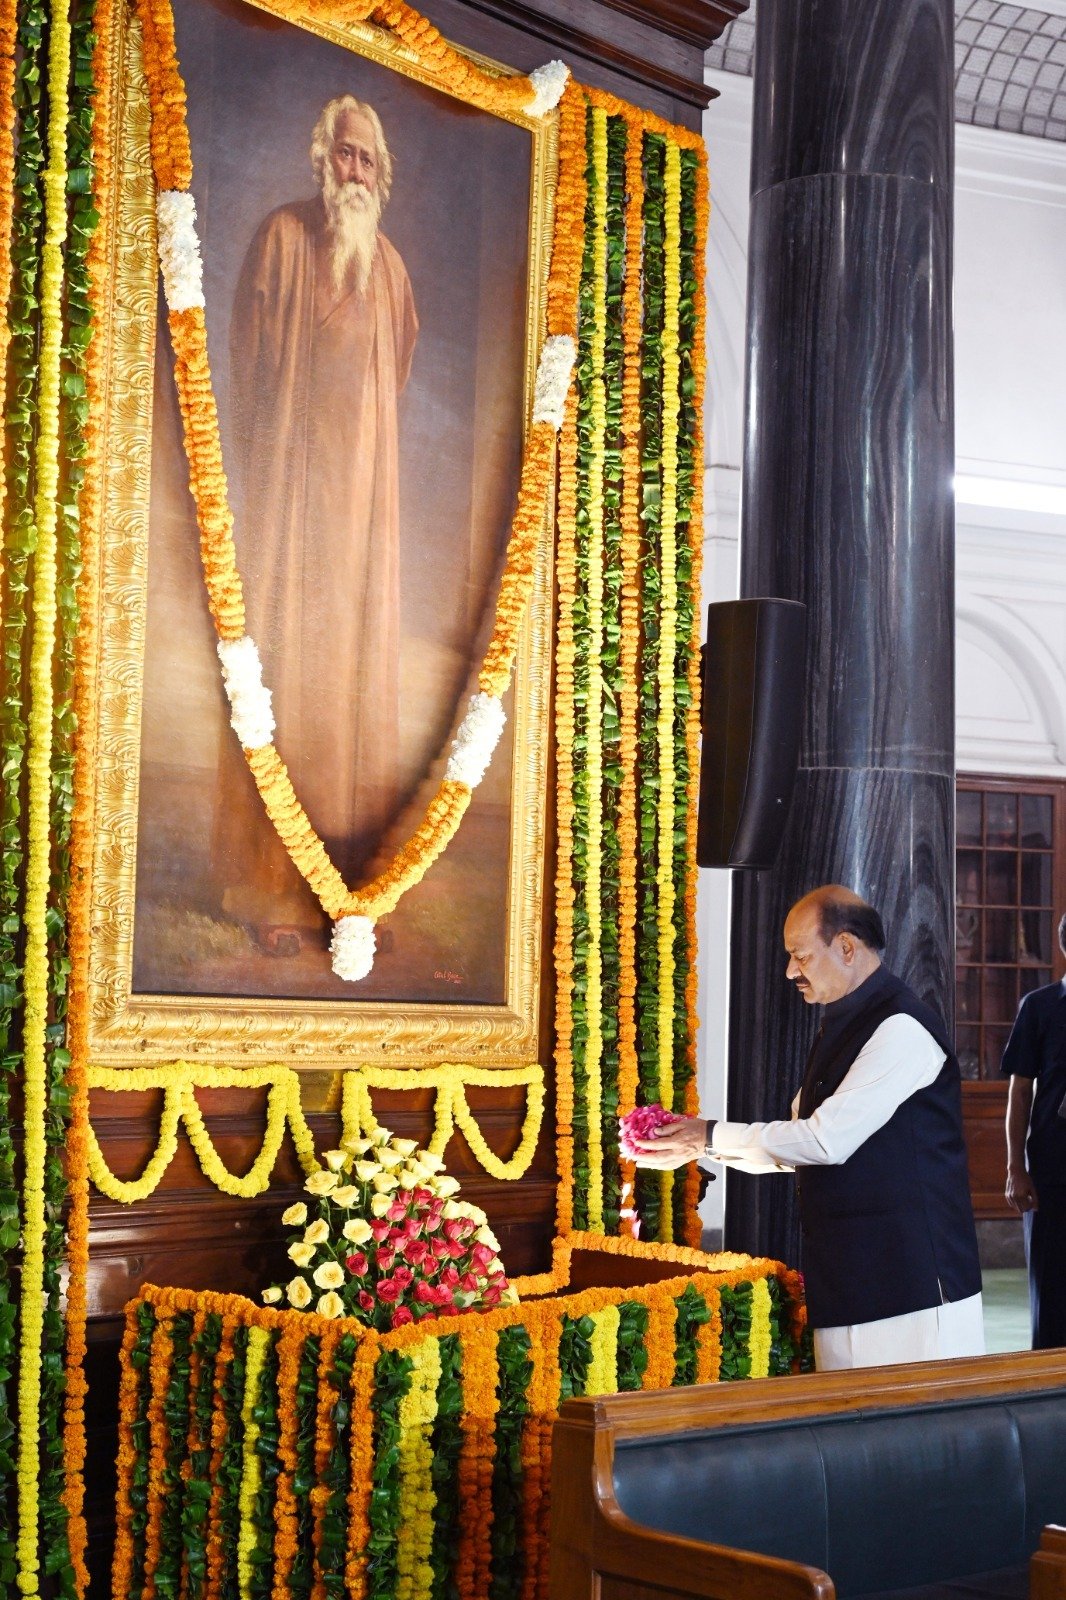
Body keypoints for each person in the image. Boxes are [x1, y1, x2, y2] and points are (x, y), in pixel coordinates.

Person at [629, 885, 984, 1371]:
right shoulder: (842, 1024)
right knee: (848, 1434)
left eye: (800, 955)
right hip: (848, 1271)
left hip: (913, 1281)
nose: (790, 971)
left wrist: (709, 1133)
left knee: (914, 1437)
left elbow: (824, 1140)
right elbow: (797, 1143)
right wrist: (700, 1147)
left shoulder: (903, 1027)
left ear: (845, 947)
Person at [217, 95, 419, 946]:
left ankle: (346, 887)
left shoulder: (396, 270)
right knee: (288, 678)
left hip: (365, 522)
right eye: (347, 155)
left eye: (371, 161)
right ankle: (266, 892)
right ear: (320, 159)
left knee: (357, 683)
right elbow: (250, 360)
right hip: (295, 512)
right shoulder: (282, 239)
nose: (358, 172)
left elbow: (397, 372)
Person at [1002, 917, 1066, 1350]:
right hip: (1053, 1169)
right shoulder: (1040, 1007)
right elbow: (1020, 1091)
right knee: (1052, 1288)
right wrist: (1015, 1167)